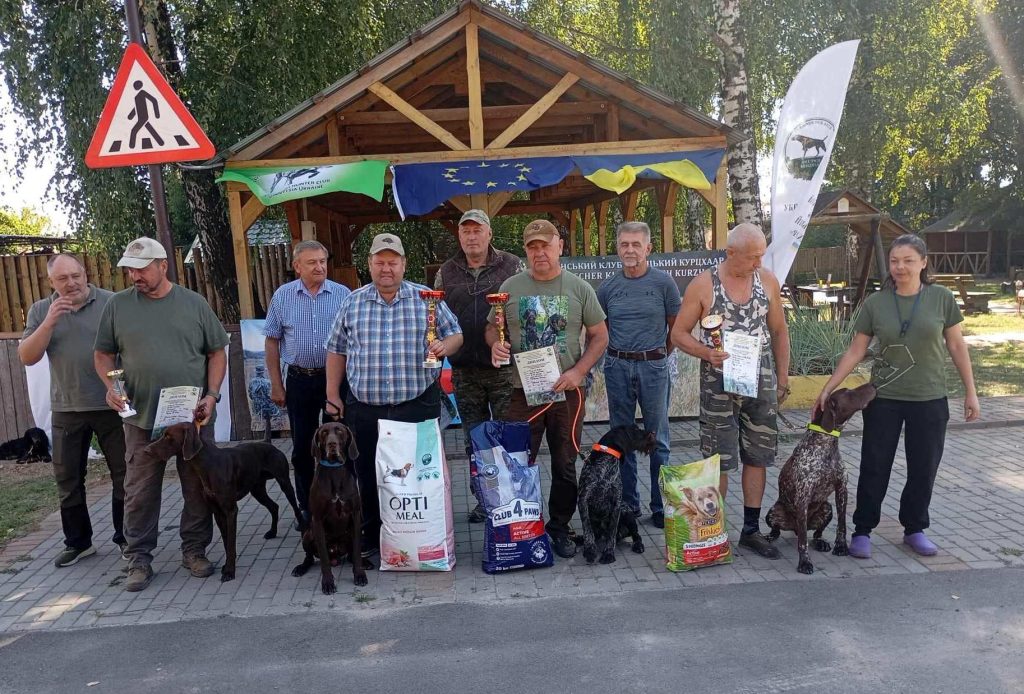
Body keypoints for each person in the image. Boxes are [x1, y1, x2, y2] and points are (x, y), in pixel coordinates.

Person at [814, 234, 979, 559]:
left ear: (923, 262)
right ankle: (862, 530)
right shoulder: (876, 303)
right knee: (875, 465)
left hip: (929, 398)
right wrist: (828, 387)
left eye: (907, 260)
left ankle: (914, 529)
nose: (900, 267)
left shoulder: (941, 298)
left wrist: (971, 392)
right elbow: (856, 350)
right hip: (884, 397)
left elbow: (957, 346)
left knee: (924, 467)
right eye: (894, 261)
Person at [94, 237, 229, 592]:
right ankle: (138, 558)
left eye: (141, 269)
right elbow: (103, 354)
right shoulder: (118, 306)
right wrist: (111, 388)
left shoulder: (194, 304)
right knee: (139, 489)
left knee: (198, 486)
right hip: (140, 419)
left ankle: (195, 550)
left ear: (163, 266)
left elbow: (217, 352)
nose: (134, 275)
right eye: (129, 269)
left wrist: (212, 395)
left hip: (192, 418)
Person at [325, 233, 462, 555]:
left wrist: (446, 345)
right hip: (365, 408)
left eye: (393, 262)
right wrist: (333, 394)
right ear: (369, 264)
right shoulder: (353, 301)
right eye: (380, 262)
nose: (386, 269)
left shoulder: (427, 298)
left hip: (415, 405)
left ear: (403, 264)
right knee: (367, 474)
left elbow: (456, 334)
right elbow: (336, 351)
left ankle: (419, 536)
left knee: (418, 477)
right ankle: (372, 536)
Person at [488, 219, 609, 559]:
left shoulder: (579, 288)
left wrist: (578, 370)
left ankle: (559, 527)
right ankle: (522, 527)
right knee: (515, 463)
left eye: (545, 244)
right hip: (521, 392)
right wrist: (495, 346)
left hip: (567, 392)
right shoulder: (509, 287)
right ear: (525, 251)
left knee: (565, 463)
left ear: (559, 246)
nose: (539, 252)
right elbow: (492, 331)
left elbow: (600, 336)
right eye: (532, 246)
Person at [670, 223, 791, 559]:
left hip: (761, 380)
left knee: (758, 456)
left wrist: (783, 378)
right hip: (718, 383)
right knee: (718, 460)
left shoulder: (766, 281)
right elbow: (679, 334)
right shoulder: (704, 284)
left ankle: (751, 530)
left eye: (762, 256)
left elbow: (780, 332)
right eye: (753, 257)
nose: (758, 263)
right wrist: (707, 353)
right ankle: (713, 531)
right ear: (731, 253)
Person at [19, 254, 128, 568]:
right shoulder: (42, 310)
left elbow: (130, 350)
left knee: (125, 474)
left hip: (114, 402)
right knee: (67, 479)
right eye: (63, 279)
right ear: (51, 283)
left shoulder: (112, 303)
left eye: (76, 275)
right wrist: (51, 320)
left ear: (86, 273)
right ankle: (79, 543)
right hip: (67, 407)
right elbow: (27, 357)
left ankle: (127, 539)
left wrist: (126, 392)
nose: (72, 283)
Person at [434, 209, 521, 523]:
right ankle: (484, 499)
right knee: (476, 441)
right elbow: (437, 319)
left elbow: (520, 309)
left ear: (489, 233)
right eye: (466, 231)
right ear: (459, 235)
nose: (472, 236)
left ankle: (510, 497)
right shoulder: (446, 271)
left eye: (477, 230)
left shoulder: (511, 265)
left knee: (505, 437)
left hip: (502, 370)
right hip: (464, 371)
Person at [597, 221, 681, 529]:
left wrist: (657, 355)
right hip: (617, 366)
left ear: (648, 248)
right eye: (624, 244)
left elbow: (676, 327)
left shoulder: (664, 284)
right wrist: (623, 355)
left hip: (654, 366)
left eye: (636, 244)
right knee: (621, 435)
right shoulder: (607, 288)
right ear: (617, 248)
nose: (629, 250)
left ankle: (661, 505)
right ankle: (629, 503)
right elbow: (602, 330)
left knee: (657, 437)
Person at [264, 240, 350, 524]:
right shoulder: (283, 296)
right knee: (303, 448)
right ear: (297, 266)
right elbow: (272, 341)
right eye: (312, 262)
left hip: (335, 378)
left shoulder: (342, 294)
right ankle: (308, 507)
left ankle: (344, 500)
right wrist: (277, 384)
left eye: (323, 261)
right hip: (300, 380)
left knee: (339, 443)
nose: (320, 267)